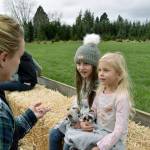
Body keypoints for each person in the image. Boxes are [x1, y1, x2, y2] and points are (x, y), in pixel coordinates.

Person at [64, 52, 133, 150]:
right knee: (70, 139)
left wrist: (101, 147)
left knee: (73, 141)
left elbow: (119, 130)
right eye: (99, 70)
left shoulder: (121, 98)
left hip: (113, 138)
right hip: (98, 131)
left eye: (106, 70)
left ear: (119, 74)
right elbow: (93, 110)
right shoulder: (101, 91)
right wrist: (87, 120)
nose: (101, 73)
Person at [0, 15, 49, 149]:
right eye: (19, 56)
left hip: (27, 84)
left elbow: (9, 133)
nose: (19, 61)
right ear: (4, 58)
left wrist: (29, 116)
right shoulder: (1, 115)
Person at [49, 33, 101, 150]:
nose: (81, 67)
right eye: (78, 63)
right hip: (79, 118)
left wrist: (80, 122)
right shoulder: (83, 81)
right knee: (53, 134)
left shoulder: (100, 87)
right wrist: (72, 114)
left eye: (86, 63)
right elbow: (77, 103)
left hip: (90, 123)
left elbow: (95, 112)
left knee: (69, 145)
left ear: (95, 65)